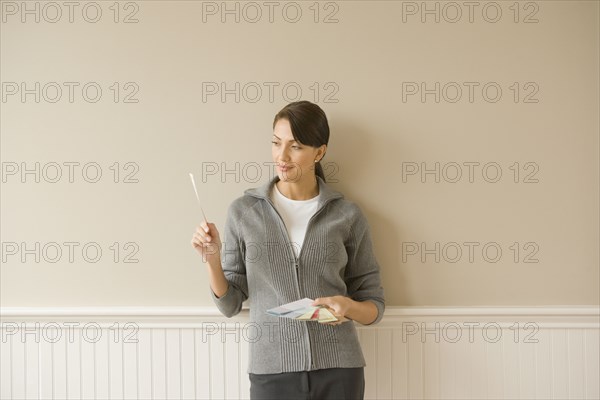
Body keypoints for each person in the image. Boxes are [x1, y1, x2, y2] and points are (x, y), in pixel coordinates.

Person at [191, 100, 385, 400]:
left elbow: (374, 305)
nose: (281, 156)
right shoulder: (244, 212)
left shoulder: (347, 215)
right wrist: (212, 259)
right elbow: (229, 304)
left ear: (319, 153)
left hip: (340, 372)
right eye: (276, 143)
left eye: (295, 147)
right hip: (271, 374)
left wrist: (348, 308)